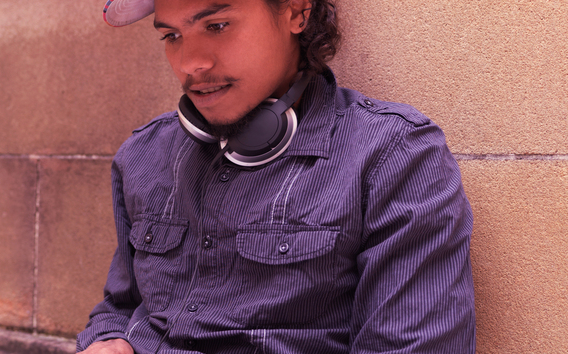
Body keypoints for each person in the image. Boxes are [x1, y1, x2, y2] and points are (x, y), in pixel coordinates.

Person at [77, 0, 476, 353]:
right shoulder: (144, 153)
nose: (190, 62)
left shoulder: (392, 153)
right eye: (172, 35)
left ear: (297, 12)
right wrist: (108, 339)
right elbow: (120, 306)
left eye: (217, 26)